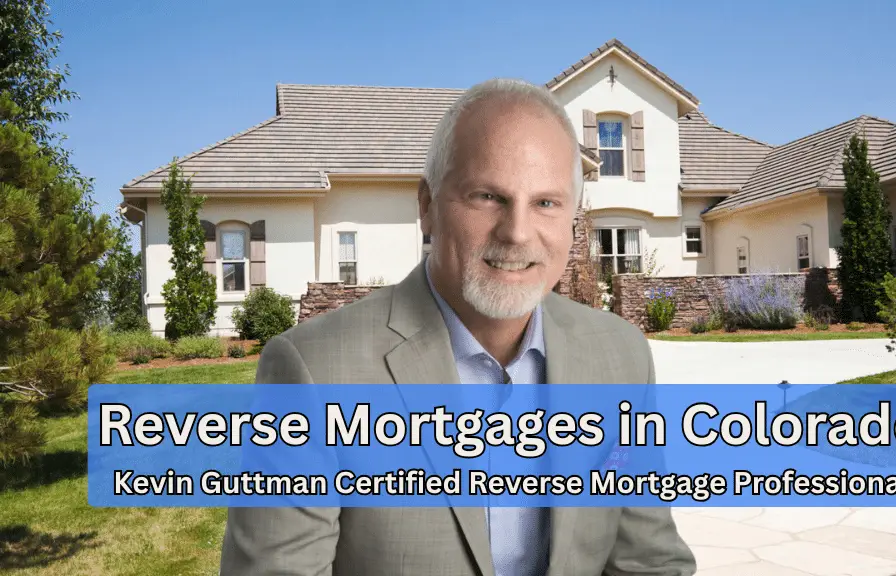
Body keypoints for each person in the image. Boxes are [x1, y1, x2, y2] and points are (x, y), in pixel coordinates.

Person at [220, 78, 696, 576]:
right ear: (427, 206)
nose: (516, 232)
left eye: (546, 203)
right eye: (487, 196)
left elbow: (648, 561)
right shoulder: (313, 374)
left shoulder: (621, 358)